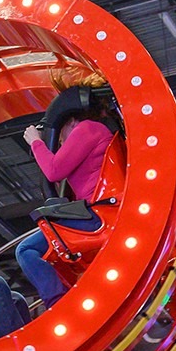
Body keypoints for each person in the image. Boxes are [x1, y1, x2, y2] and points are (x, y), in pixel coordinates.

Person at [15, 66, 115, 307]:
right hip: (99, 212)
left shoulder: (87, 129)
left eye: (60, 136)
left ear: (69, 120)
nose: (60, 142)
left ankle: (57, 304)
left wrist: (36, 142)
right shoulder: (98, 131)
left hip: (98, 216)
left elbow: (54, 170)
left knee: (26, 250)